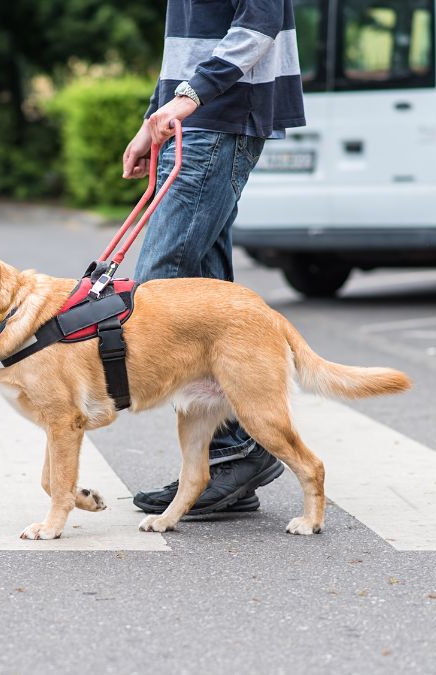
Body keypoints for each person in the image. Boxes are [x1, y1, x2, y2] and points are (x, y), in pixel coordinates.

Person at [123, 0, 306, 516]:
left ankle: (235, 453)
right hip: (198, 119)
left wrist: (185, 101)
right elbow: (187, 48)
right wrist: (153, 117)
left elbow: (259, 23)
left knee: (157, 292)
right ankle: (231, 457)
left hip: (216, 117)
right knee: (206, 290)